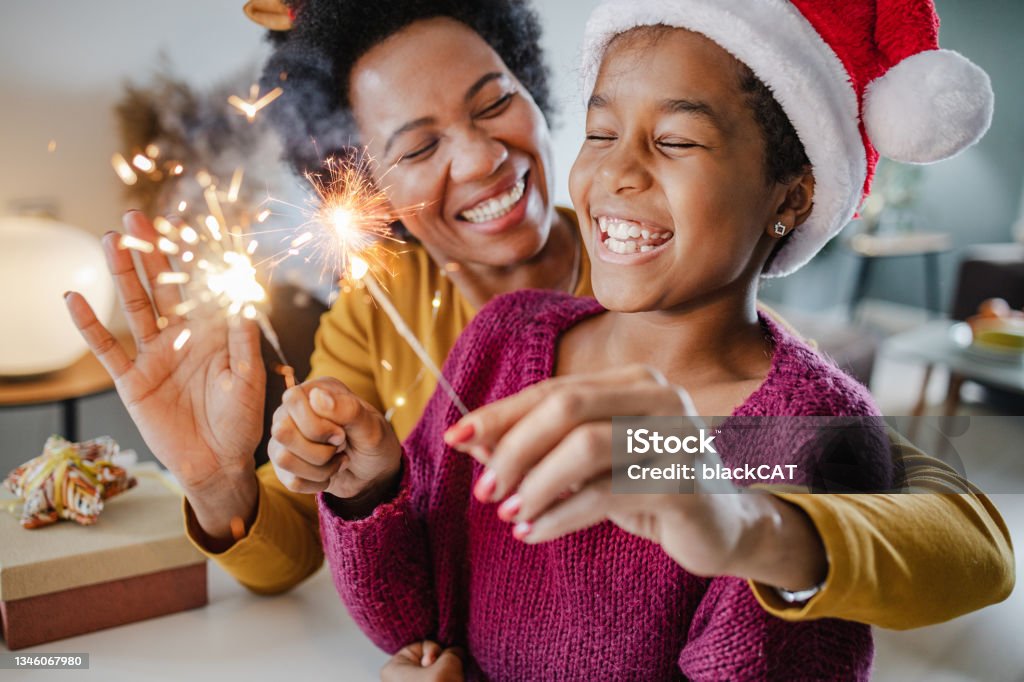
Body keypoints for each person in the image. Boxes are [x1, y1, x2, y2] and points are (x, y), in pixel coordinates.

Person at [63, 0, 1010, 676]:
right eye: (418, 144)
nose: (478, 159)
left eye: (491, 103)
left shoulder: (769, 387)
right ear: (366, 184)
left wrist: (706, 491)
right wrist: (253, 482)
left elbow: (851, 469)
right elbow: (392, 591)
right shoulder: (479, 331)